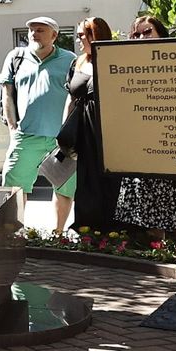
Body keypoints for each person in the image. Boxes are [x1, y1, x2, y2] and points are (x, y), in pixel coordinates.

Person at [114, 16, 176, 252]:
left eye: (147, 31)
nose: (142, 37)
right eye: (137, 34)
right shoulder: (126, 63)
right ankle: (157, 250)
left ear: (160, 32)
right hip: (143, 142)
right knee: (149, 198)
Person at [0, 15, 78, 231]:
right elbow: (7, 93)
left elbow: (76, 95)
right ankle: (14, 233)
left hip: (60, 139)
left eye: (40, 30)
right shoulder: (16, 57)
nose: (34, 34)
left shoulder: (70, 60)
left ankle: (58, 234)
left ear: (54, 35)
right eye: (31, 30)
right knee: (14, 187)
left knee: (64, 187)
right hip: (26, 136)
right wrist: (13, 128)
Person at [62, 17, 118, 232]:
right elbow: (71, 98)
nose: (78, 40)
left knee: (109, 182)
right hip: (82, 131)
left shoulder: (113, 59)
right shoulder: (77, 62)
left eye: (82, 36)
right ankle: (88, 232)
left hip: (108, 132)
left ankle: (113, 234)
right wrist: (64, 129)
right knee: (86, 181)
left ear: (96, 35)